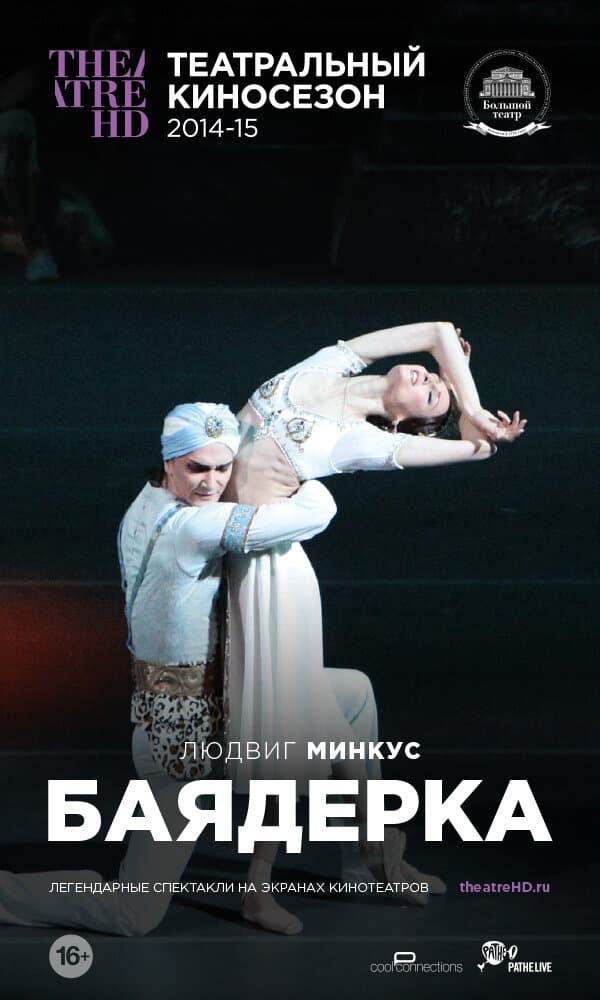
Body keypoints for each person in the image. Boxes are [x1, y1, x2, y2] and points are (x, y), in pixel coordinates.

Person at [0, 402, 375, 936]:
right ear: (169, 462)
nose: (212, 482)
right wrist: (289, 472)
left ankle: (365, 864)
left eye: (223, 468)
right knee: (133, 914)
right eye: (198, 467)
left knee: (354, 694)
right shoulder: (193, 527)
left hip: (217, 703)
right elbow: (316, 513)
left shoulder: (147, 501)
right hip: (181, 740)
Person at [223, 320, 526, 915]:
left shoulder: (358, 442)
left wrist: (475, 422)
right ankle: (373, 857)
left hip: (273, 580)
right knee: (343, 709)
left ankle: (279, 881)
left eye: (433, 394)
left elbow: (480, 449)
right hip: (235, 561)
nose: (429, 378)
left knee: (300, 731)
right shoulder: (330, 362)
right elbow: (440, 331)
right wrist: (465, 396)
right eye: (432, 377)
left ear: (403, 423)